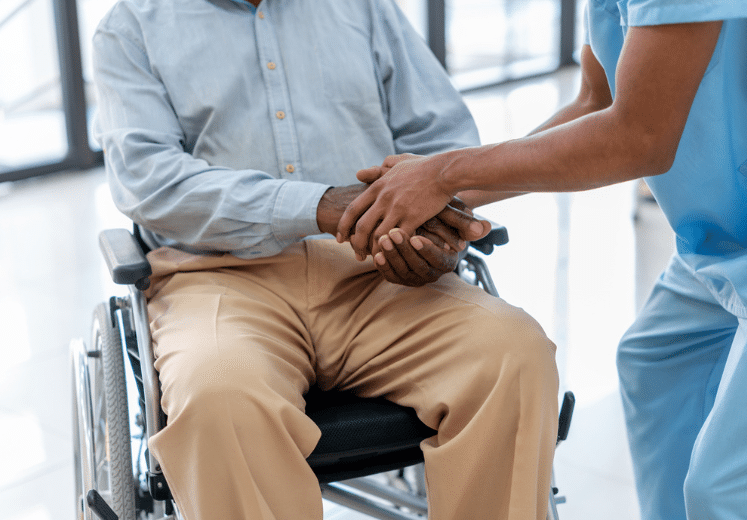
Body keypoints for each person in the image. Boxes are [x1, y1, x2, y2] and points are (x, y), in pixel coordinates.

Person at [91, 0, 560, 518]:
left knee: (513, 355)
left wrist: (434, 238)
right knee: (218, 395)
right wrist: (316, 205)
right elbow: (149, 180)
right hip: (221, 279)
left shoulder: (362, 8)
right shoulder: (132, 26)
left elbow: (440, 140)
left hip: (379, 270)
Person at [338, 1, 747, 519]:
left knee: (734, 489)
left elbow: (638, 137)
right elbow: (595, 100)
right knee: (655, 361)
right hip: (736, 219)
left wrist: (442, 174)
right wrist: (452, 195)